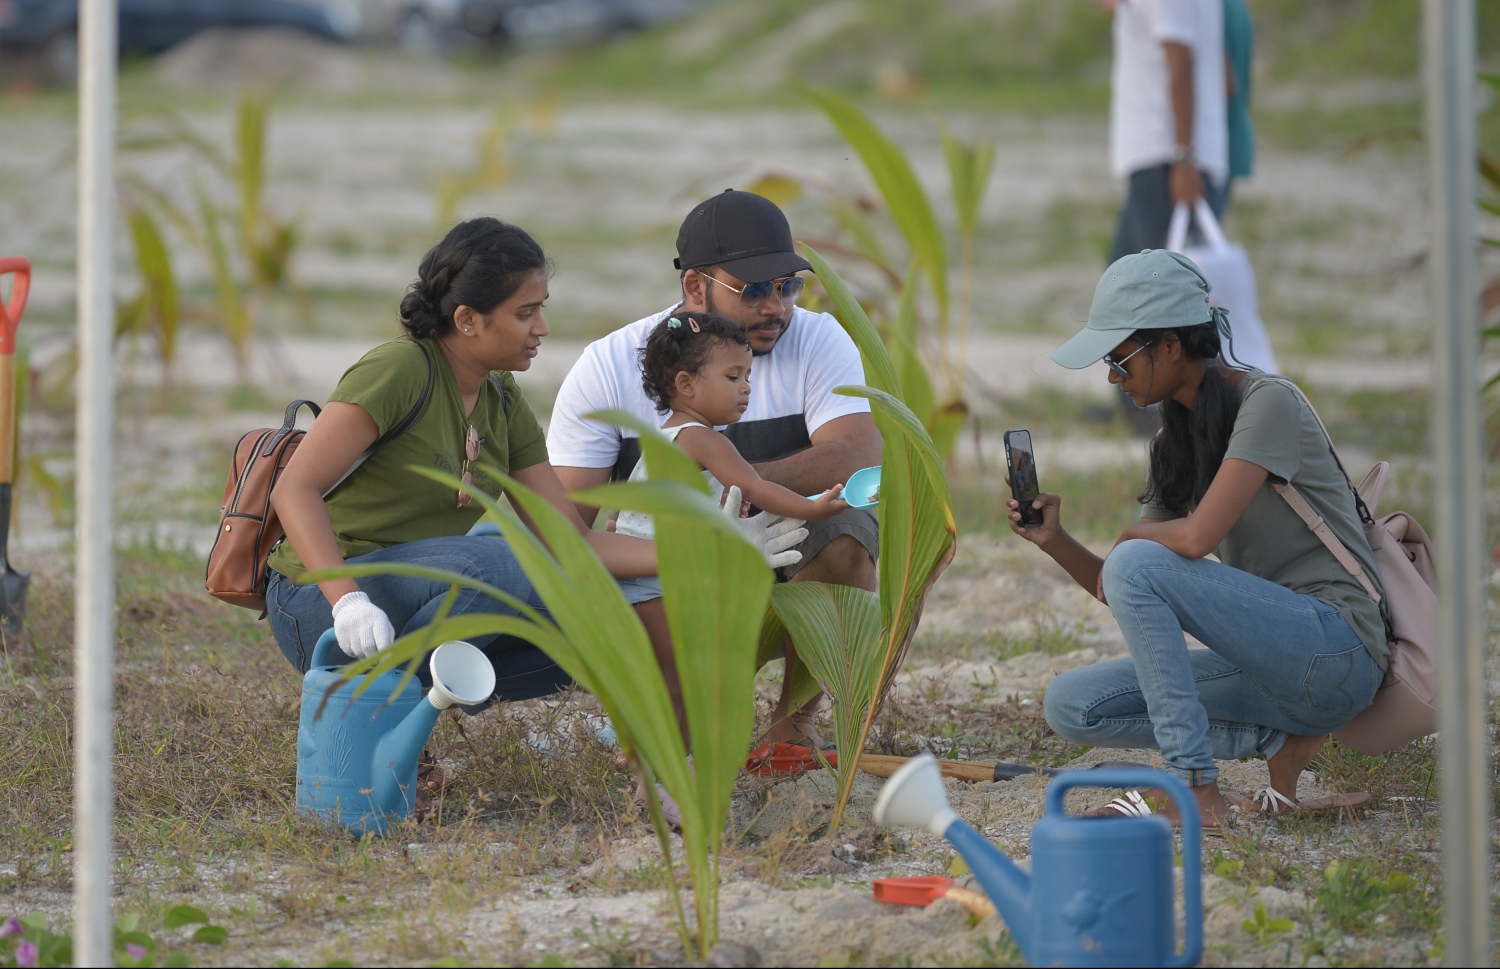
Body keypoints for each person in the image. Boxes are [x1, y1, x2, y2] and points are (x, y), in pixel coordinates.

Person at [1008, 249, 1383, 829]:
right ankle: (1281, 741)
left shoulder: (1268, 403)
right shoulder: (1176, 438)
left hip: (1337, 649)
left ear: (1171, 346)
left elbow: (1196, 536)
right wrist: (1055, 541)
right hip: (1268, 666)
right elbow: (1123, 586)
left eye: (1120, 359)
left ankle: (1196, 787)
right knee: (1072, 704)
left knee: (1139, 556)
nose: (1112, 378)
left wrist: (1137, 535)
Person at [547, 189, 883, 760]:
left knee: (849, 527)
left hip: (777, 561)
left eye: (787, 286)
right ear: (695, 287)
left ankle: (792, 725)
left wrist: (736, 491)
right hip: (663, 584)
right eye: (753, 290)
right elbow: (563, 528)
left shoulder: (818, 337)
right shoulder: (609, 364)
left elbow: (857, 457)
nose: (775, 307)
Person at [266, 217, 660, 699]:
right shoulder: (400, 369)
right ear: (468, 319)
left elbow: (569, 543)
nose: (543, 328)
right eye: (525, 313)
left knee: (611, 619)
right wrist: (349, 601)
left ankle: (403, 715)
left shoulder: (502, 396)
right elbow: (294, 488)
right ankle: (371, 710)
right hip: (322, 603)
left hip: (410, 598)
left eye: (541, 310)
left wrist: (704, 555)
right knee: (499, 564)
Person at [1105, 0, 1229, 265]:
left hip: (1166, 157)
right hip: (1165, 156)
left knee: (1151, 294)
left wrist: (1184, 158)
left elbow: (1181, 62)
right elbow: (1225, 73)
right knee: (1121, 287)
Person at [1221, 0, 1255, 214]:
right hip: (1235, 135)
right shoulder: (1239, 8)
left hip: (1214, 146)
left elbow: (1226, 81)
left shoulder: (1213, 8)